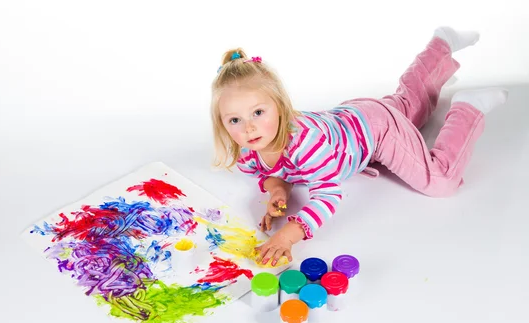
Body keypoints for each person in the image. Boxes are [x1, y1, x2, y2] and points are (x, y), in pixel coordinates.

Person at [210, 26, 508, 266]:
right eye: (234, 120)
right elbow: (275, 172)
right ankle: (442, 44)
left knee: (440, 181)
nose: (248, 128)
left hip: (375, 132)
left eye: (258, 113)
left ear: (279, 107)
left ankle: (468, 108)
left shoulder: (307, 144)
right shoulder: (248, 152)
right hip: (354, 114)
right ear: (221, 123)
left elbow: (328, 193)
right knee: (410, 104)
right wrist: (278, 190)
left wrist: (287, 236)